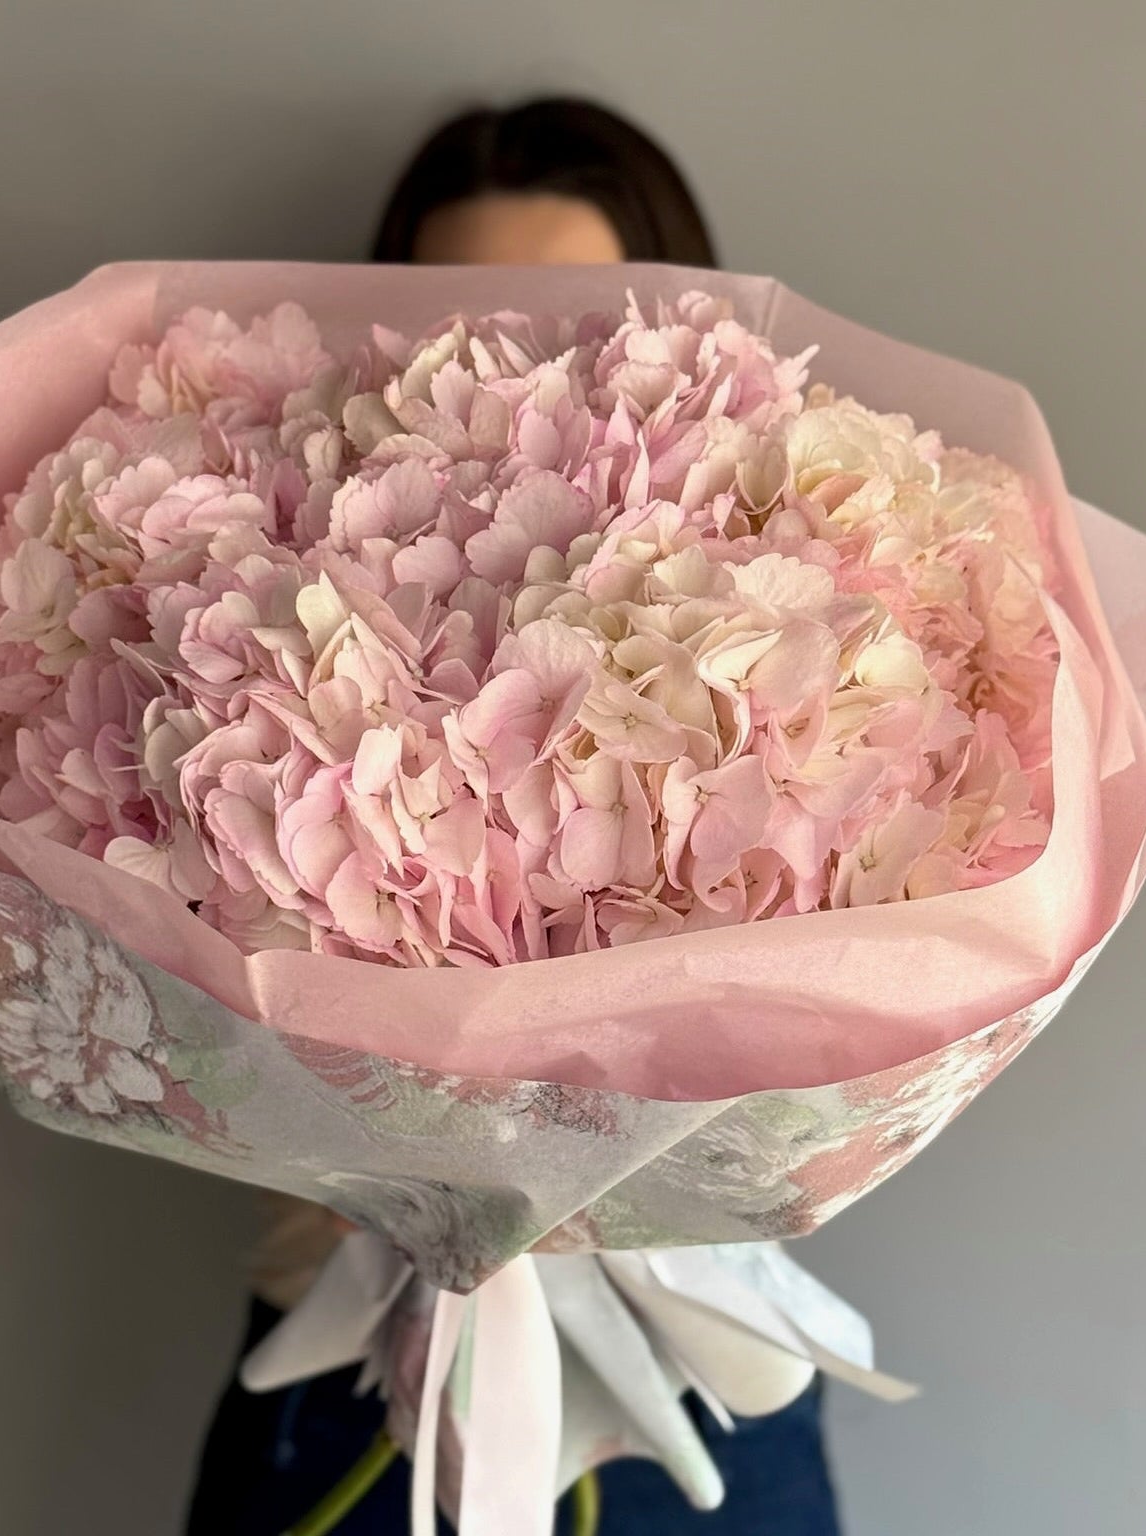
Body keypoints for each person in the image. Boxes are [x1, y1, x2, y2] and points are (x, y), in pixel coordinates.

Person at [185, 100, 840, 1535]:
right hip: (349, 1346)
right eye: (455, 313)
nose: (514, 363)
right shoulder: (255, 611)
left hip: (692, 1367)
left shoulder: (804, 610)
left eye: (576, 321)